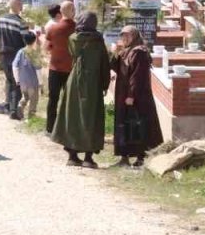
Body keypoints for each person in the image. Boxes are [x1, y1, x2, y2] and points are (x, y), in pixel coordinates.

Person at [50, 11, 109, 168]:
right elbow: (104, 63)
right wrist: (105, 84)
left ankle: (72, 155)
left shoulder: (73, 39)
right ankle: (88, 158)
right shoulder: (98, 41)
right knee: (91, 118)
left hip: (75, 81)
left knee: (72, 115)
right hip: (93, 83)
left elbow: (73, 56)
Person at [111, 25, 163, 168]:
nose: (125, 39)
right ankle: (124, 157)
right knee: (125, 125)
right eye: (123, 36)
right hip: (123, 95)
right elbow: (116, 68)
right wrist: (115, 53)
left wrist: (131, 95)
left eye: (128, 36)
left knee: (139, 126)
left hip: (137, 98)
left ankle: (141, 157)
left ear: (134, 36)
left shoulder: (139, 52)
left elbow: (137, 76)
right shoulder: (126, 51)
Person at [0, 0, 31, 119]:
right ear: (17, 5)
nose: (22, 5)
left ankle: (7, 105)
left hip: (3, 54)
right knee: (17, 82)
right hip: (16, 55)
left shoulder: (0, 20)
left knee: (9, 80)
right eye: (21, 3)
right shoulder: (21, 22)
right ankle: (13, 110)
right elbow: (26, 41)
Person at [43, 1, 76, 134]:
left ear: (61, 12)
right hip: (72, 69)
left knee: (53, 99)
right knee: (70, 100)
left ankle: (50, 128)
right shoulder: (78, 28)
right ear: (73, 11)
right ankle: (69, 128)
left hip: (55, 68)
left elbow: (46, 47)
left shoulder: (53, 29)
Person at [12, 31, 41, 120]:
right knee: (34, 99)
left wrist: (17, 80)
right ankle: (31, 117)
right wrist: (41, 82)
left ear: (24, 40)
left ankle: (20, 105)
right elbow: (38, 69)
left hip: (23, 81)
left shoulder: (20, 52)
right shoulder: (34, 52)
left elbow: (14, 66)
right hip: (33, 82)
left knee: (25, 96)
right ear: (34, 41)